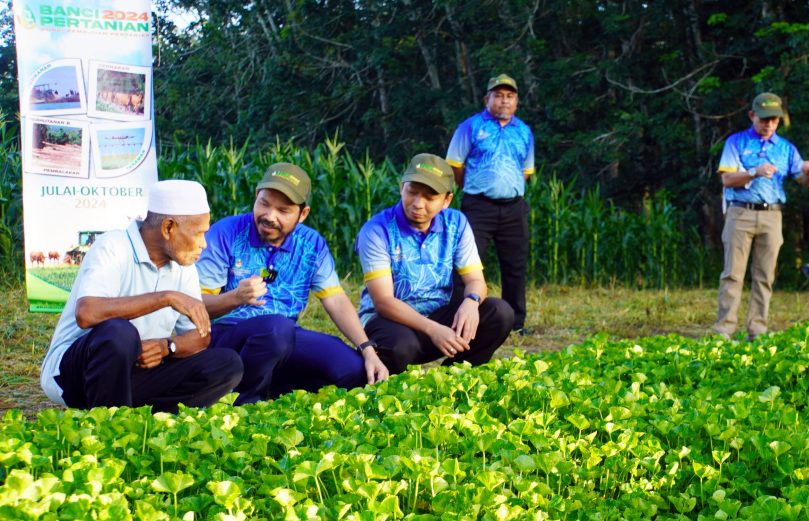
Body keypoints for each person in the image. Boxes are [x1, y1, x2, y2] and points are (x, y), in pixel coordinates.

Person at [40, 180, 244, 411]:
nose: (204, 244)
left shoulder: (184, 266)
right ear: (168, 227)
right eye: (198, 233)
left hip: (135, 372)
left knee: (227, 364)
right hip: (78, 375)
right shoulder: (113, 246)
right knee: (119, 333)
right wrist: (166, 297)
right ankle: (110, 427)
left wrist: (167, 346)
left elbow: (201, 336)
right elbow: (87, 313)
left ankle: (145, 421)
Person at [196, 163, 388, 404]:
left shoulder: (311, 244)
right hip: (228, 335)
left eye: (283, 210)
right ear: (256, 196)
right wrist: (234, 298)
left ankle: (276, 387)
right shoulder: (226, 233)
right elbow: (197, 306)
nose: (270, 216)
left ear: (302, 214)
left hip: (284, 337)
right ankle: (244, 402)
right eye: (264, 203)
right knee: (276, 330)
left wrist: (368, 350)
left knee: (352, 369)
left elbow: (336, 300)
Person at [354, 153, 514, 375]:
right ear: (402, 187)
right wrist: (433, 329)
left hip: (438, 314)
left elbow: (476, 280)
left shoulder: (457, 223)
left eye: (430, 197)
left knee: (499, 312)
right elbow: (383, 302)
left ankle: (450, 380)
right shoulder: (376, 230)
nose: (418, 204)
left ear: (446, 200)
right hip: (388, 322)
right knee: (402, 347)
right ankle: (388, 387)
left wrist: (471, 301)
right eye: (412, 192)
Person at [713, 92, 809, 340]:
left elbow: (804, 181)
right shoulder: (736, 142)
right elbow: (727, 179)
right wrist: (754, 172)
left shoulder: (786, 149)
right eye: (764, 119)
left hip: (772, 216)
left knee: (765, 276)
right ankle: (724, 330)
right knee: (732, 273)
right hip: (740, 212)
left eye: (774, 120)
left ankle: (757, 330)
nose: (768, 124)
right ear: (752, 116)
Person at [446, 73, 535, 334]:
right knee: (464, 264)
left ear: (517, 101)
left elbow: (527, 170)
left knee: (515, 265)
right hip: (478, 206)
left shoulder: (524, 131)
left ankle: (515, 323)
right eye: (498, 96)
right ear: (487, 99)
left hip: (513, 207)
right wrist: (475, 187)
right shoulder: (470, 127)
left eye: (510, 96)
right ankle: (457, 318)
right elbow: (455, 166)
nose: (504, 101)